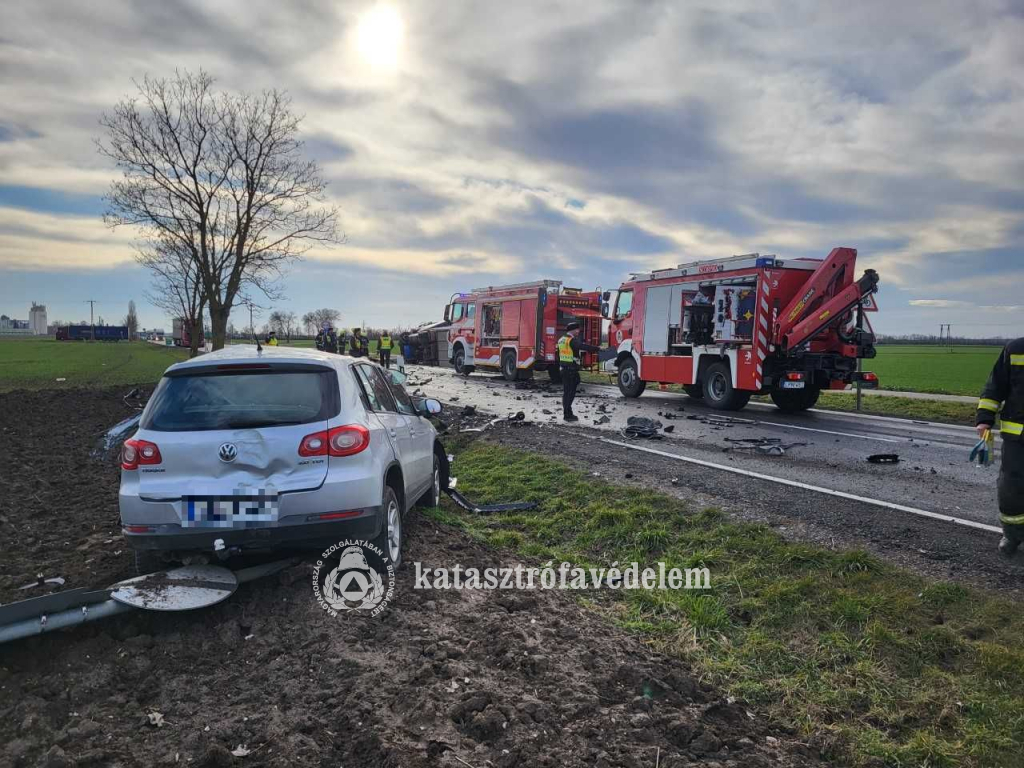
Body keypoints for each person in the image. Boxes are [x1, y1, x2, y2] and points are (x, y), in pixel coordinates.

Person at [976, 338, 1024, 558]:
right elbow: (995, 386)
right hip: (1018, 438)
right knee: (1010, 488)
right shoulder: (1015, 349)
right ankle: (1013, 535)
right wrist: (984, 418)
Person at [557, 321, 600, 422]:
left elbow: (558, 355)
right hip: (570, 370)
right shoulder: (571, 340)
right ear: (573, 330)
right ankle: (567, 415)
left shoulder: (561, 340)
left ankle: (567, 412)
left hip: (564, 369)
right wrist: (598, 348)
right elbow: (583, 346)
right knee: (570, 393)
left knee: (566, 392)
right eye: (577, 329)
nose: (578, 331)